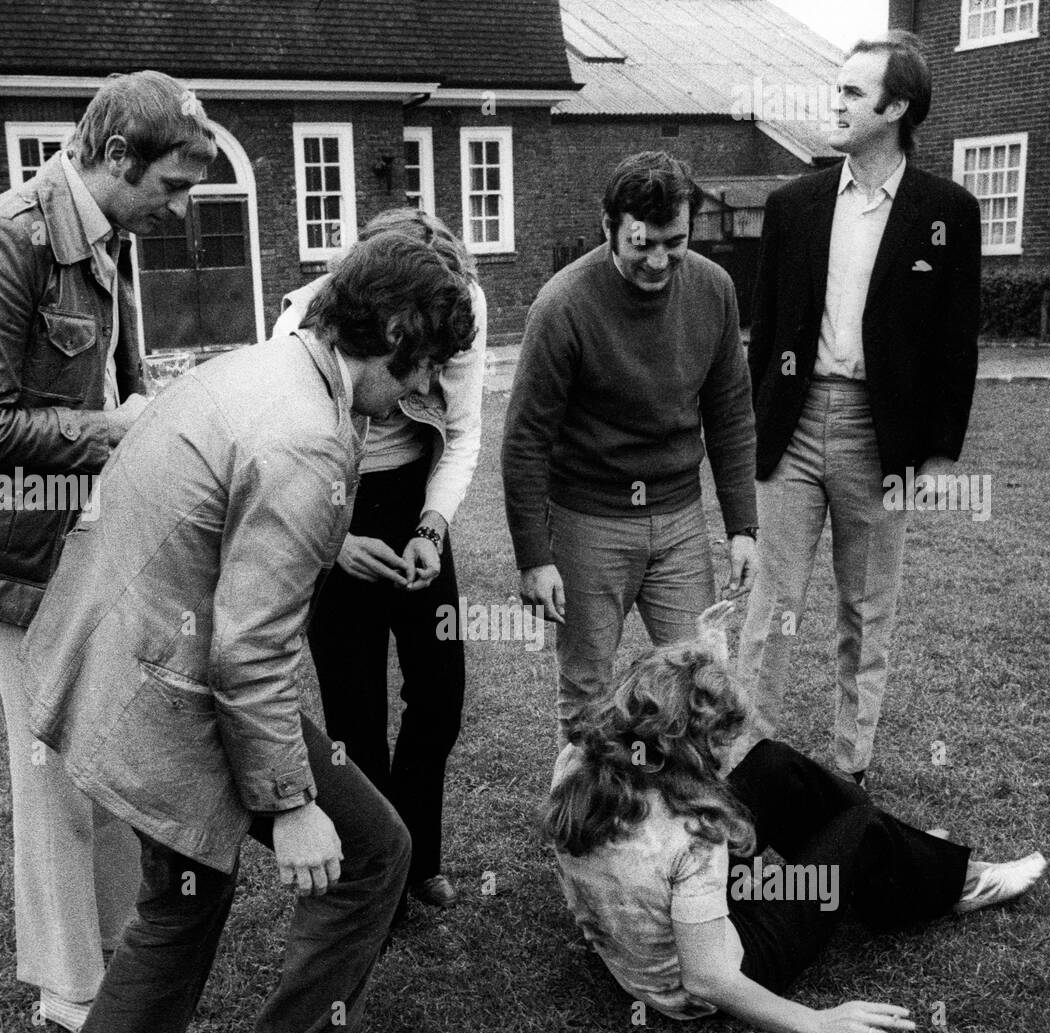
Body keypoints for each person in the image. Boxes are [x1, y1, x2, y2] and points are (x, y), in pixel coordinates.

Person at [19, 231, 475, 1033]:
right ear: (390, 330)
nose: (427, 389)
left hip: (133, 659)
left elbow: (230, 538)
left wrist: (330, 545)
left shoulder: (272, 365)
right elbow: (249, 649)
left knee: (184, 895)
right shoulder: (307, 434)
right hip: (176, 684)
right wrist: (292, 799)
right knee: (371, 848)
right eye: (426, 363)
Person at [0, 71, 217, 1033]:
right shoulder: (12, 235)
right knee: (48, 761)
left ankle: (117, 941)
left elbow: (110, 382)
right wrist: (111, 429)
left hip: (83, 541)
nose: (175, 210)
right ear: (116, 158)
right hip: (11, 553)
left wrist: (148, 404)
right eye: (170, 184)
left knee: (102, 750)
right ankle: (66, 986)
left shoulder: (108, 236)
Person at [544, 616, 1045, 1033]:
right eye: (716, 741)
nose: (723, 752)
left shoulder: (579, 760)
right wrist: (818, 1023)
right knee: (861, 829)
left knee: (773, 764)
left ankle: (900, 858)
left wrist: (703, 661)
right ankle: (948, 881)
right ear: (686, 744)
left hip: (636, 951)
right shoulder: (695, 835)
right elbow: (708, 978)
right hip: (709, 976)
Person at [736, 32, 982, 786]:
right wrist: (760, 426)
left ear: (897, 106)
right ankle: (743, 769)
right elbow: (768, 330)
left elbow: (955, 342)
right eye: (835, 89)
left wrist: (939, 452)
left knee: (866, 612)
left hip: (884, 441)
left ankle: (850, 774)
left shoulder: (947, 211)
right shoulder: (794, 204)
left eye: (851, 91)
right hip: (795, 425)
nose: (835, 103)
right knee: (770, 608)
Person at [273, 209, 488, 922]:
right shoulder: (306, 320)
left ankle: (416, 856)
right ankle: (374, 873)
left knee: (439, 694)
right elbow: (278, 458)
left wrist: (431, 528)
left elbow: (462, 433)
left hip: (411, 499)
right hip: (328, 502)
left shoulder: (461, 305)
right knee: (353, 707)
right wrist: (332, 544)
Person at [502, 151, 758, 742]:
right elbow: (525, 441)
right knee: (589, 692)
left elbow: (730, 413)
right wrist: (534, 558)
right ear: (609, 226)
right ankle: (581, 828)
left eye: (676, 241)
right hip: (589, 519)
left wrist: (743, 525)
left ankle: (692, 822)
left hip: (678, 519)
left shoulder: (715, 289)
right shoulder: (562, 304)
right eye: (642, 243)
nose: (660, 259)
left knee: (703, 683)